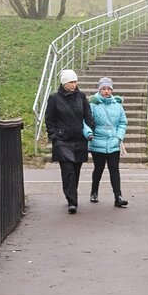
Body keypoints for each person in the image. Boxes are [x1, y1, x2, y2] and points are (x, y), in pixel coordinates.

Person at [44, 69, 93, 214]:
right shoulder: (54, 98)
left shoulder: (81, 96)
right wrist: (54, 135)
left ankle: (72, 195)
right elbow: (49, 118)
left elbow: (87, 115)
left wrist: (90, 130)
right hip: (62, 140)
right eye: (71, 82)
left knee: (76, 170)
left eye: (75, 82)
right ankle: (72, 201)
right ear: (64, 83)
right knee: (68, 171)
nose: (74, 85)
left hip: (79, 139)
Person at [88, 77, 129, 208]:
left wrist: (119, 136)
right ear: (99, 90)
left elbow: (122, 122)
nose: (106, 91)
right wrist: (89, 134)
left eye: (109, 89)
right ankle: (94, 191)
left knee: (114, 169)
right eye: (103, 89)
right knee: (98, 169)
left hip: (113, 143)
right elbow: (87, 121)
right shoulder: (93, 105)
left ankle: (118, 196)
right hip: (98, 142)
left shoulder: (118, 105)